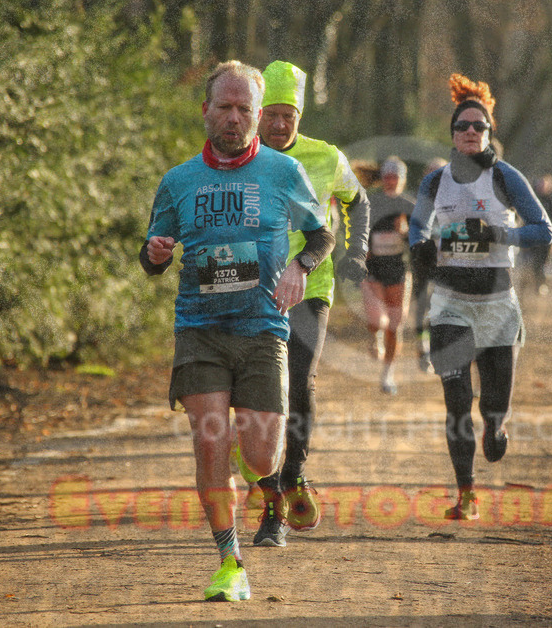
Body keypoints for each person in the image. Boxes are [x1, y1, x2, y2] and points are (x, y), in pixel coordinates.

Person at [140, 59, 334, 601]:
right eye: (223, 107)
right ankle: (230, 560)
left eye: (243, 109)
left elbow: (321, 236)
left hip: (262, 329)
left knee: (262, 456)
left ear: (256, 115)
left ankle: (257, 477)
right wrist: (154, 253)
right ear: (205, 111)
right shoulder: (178, 181)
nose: (233, 118)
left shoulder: (282, 173)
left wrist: (300, 268)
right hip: (199, 328)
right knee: (209, 441)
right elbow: (152, 254)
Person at [409, 73, 552, 520]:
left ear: (490, 134)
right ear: (452, 134)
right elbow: (418, 226)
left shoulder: (506, 177)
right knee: (455, 402)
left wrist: (501, 234)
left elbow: (542, 229)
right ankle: (466, 494)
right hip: (450, 304)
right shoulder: (434, 183)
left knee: (493, 407)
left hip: (496, 303)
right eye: (462, 126)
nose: (470, 132)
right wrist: (421, 246)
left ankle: (495, 427)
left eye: (479, 126)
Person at [250, 60, 370, 548]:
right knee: (255, 397)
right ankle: (266, 487)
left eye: (290, 116)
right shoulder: (242, 158)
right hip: (250, 289)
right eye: (272, 114)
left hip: (310, 286)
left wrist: (356, 250)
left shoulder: (326, 156)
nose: (280, 125)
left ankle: (291, 480)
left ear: (300, 116)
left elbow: (357, 200)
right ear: (257, 113)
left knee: (298, 381)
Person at [363, 155, 415, 394]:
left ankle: (387, 375)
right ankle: (374, 337)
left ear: (402, 181)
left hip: (398, 270)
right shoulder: (370, 203)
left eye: (396, 178)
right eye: (388, 177)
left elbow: (420, 239)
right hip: (373, 269)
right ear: (382, 179)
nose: (391, 182)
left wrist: (404, 233)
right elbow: (357, 234)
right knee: (377, 320)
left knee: (395, 325)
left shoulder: (408, 206)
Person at [412, 157, 448, 373]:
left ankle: (437, 348)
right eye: (431, 172)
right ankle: (422, 346)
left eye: (440, 172)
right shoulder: (420, 198)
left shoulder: (455, 197)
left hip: (447, 258)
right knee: (423, 302)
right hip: (424, 259)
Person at [523, 174, 552, 294]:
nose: (542, 186)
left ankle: (542, 282)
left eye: (545, 184)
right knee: (536, 261)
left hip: (548, 236)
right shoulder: (533, 199)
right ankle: (538, 283)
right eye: (541, 183)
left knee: (544, 261)